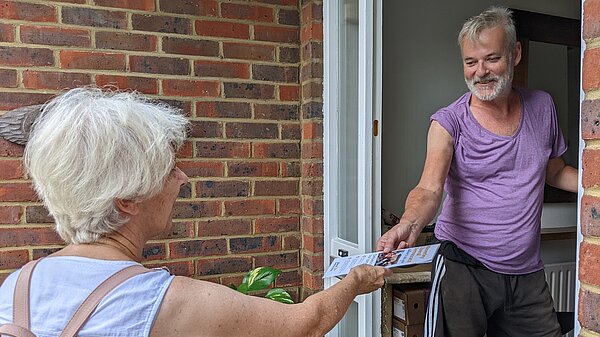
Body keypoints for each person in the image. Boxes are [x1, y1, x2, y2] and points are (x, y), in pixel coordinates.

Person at [0, 87, 391, 336]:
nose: (182, 178)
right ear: (128, 199)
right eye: (169, 169)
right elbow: (307, 324)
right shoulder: (163, 302)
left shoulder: (16, 286)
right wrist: (355, 280)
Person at [377, 6, 577, 337]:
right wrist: (408, 224)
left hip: (525, 272)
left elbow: (555, 171)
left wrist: (593, 184)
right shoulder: (448, 122)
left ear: (515, 54)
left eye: (491, 59)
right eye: (470, 62)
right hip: (463, 268)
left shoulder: (543, 107)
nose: (480, 71)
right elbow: (429, 189)